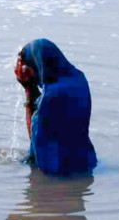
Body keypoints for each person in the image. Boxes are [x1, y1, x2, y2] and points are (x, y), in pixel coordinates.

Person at [14, 38, 97, 175]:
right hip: (86, 162)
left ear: (38, 65)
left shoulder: (51, 96)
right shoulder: (78, 79)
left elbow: (37, 142)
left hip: (60, 172)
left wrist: (29, 89)